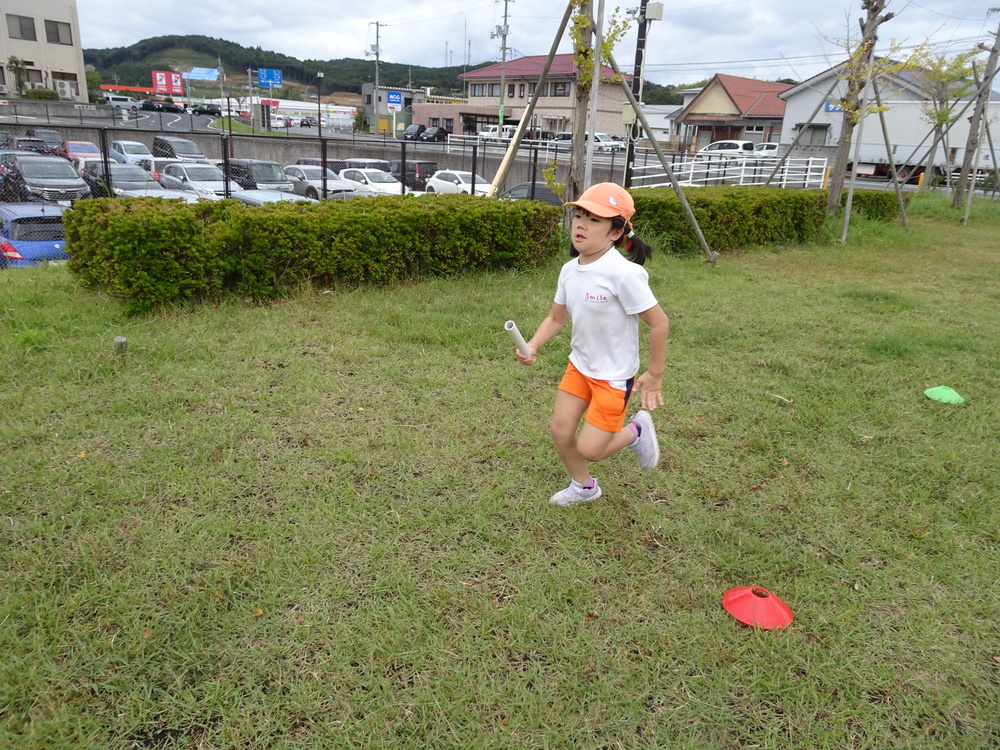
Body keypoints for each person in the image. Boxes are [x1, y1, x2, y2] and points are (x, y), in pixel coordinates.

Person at [515, 182, 669, 506]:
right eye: (579, 215)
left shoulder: (624, 274)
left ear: (615, 233)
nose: (581, 224)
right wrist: (533, 344)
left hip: (613, 377)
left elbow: (659, 323)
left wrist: (654, 374)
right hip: (580, 366)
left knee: (591, 449)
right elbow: (556, 318)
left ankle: (636, 432)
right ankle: (584, 487)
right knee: (560, 430)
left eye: (594, 219)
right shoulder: (570, 271)